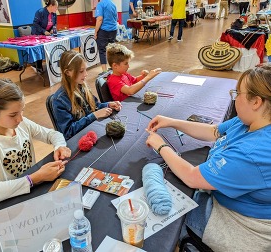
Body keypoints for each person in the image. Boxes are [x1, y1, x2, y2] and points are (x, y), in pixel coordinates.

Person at [145, 65, 271, 251]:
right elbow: (214, 131)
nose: (234, 98)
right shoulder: (252, 121)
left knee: (166, 225)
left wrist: (160, 145)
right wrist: (172, 122)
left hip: (238, 222)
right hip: (228, 201)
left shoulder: (253, 153)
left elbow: (192, 177)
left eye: (237, 93)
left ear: (256, 102)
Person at [0, 79, 71, 205]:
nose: (20, 119)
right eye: (13, 115)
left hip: (32, 193)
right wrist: (36, 177)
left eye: (22, 111)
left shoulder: (22, 124)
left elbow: (53, 134)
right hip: (10, 204)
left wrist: (60, 146)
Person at [51, 50, 122, 140]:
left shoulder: (83, 86)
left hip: (91, 132)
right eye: (81, 71)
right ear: (67, 72)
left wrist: (108, 105)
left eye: (85, 69)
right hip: (79, 140)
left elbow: (95, 106)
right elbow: (69, 132)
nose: (86, 74)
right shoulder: (59, 100)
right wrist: (94, 116)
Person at [31, 0, 58, 72]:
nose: (57, 9)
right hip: (38, 34)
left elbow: (55, 24)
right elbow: (35, 24)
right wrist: (44, 31)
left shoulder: (54, 14)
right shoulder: (40, 12)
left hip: (47, 34)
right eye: (56, 7)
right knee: (39, 49)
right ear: (51, 6)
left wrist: (52, 29)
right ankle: (37, 66)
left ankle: (51, 63)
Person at [94, 0, 118, 75]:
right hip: (113, 30)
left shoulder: (100, 4)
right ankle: (114, 69)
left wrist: (95, 32)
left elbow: (99, 19)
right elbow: (116, 18)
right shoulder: (113, 4)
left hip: (104, 31)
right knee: (112, 50)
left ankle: (104, 71)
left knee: (102, 50)